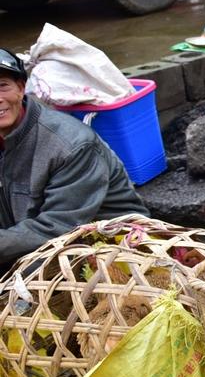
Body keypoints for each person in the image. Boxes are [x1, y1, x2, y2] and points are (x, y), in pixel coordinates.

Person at [0, 48, 146, 268]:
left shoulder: (71, 144)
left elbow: (58, 227)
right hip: (27, 234)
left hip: (101, 244)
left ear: (21, 89)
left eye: (2, 87)